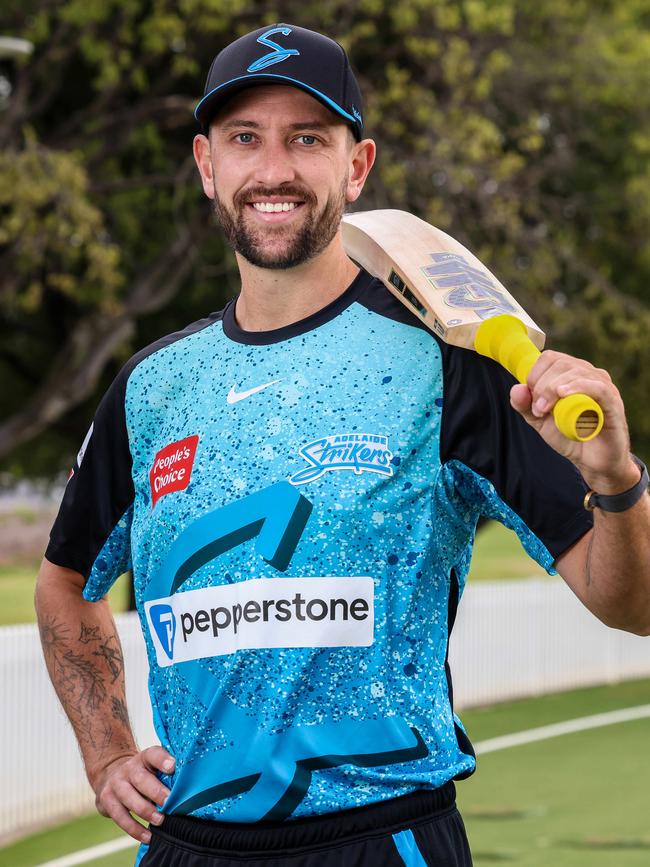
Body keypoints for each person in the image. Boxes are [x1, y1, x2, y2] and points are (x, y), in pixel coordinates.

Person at [35, 22, 650, 867]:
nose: (274, 168)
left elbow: (635, 604)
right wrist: (105, 750)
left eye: (308, 139)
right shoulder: (151, 388)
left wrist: (615, 478)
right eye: (245, 138)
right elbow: (65, 579)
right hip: (187, 847)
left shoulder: (452, 371)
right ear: (208, 165)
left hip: (384, 840)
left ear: (356, 166)